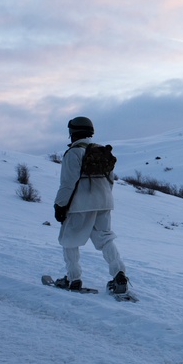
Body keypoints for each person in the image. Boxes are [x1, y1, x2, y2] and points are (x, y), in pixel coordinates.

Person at [52, 116, 129, 294]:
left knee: (69, 240)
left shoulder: (73, 153)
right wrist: (102, 198)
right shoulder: (102, 151)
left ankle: (73, 279)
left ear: (73, 133)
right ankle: (119, 275)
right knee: (105, 238)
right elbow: (110, 180)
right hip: (104, 202)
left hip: (80, 204)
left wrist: (60, 205)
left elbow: (68, 183)